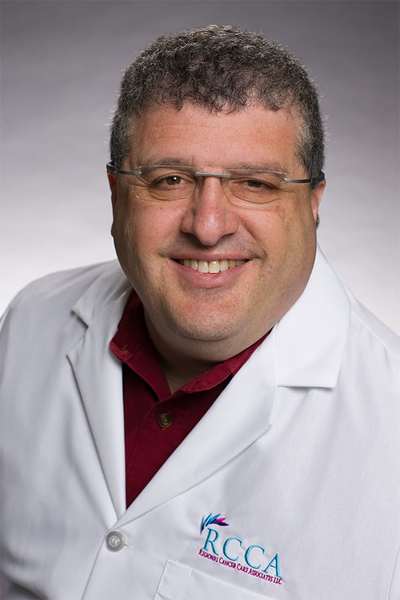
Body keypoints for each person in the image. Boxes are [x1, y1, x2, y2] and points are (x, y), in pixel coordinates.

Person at [0, 24, 399, 600]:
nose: (208, 226)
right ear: (116, 195)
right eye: (169, 180)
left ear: (313, 203)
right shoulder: (31, 322)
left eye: (255, 183)